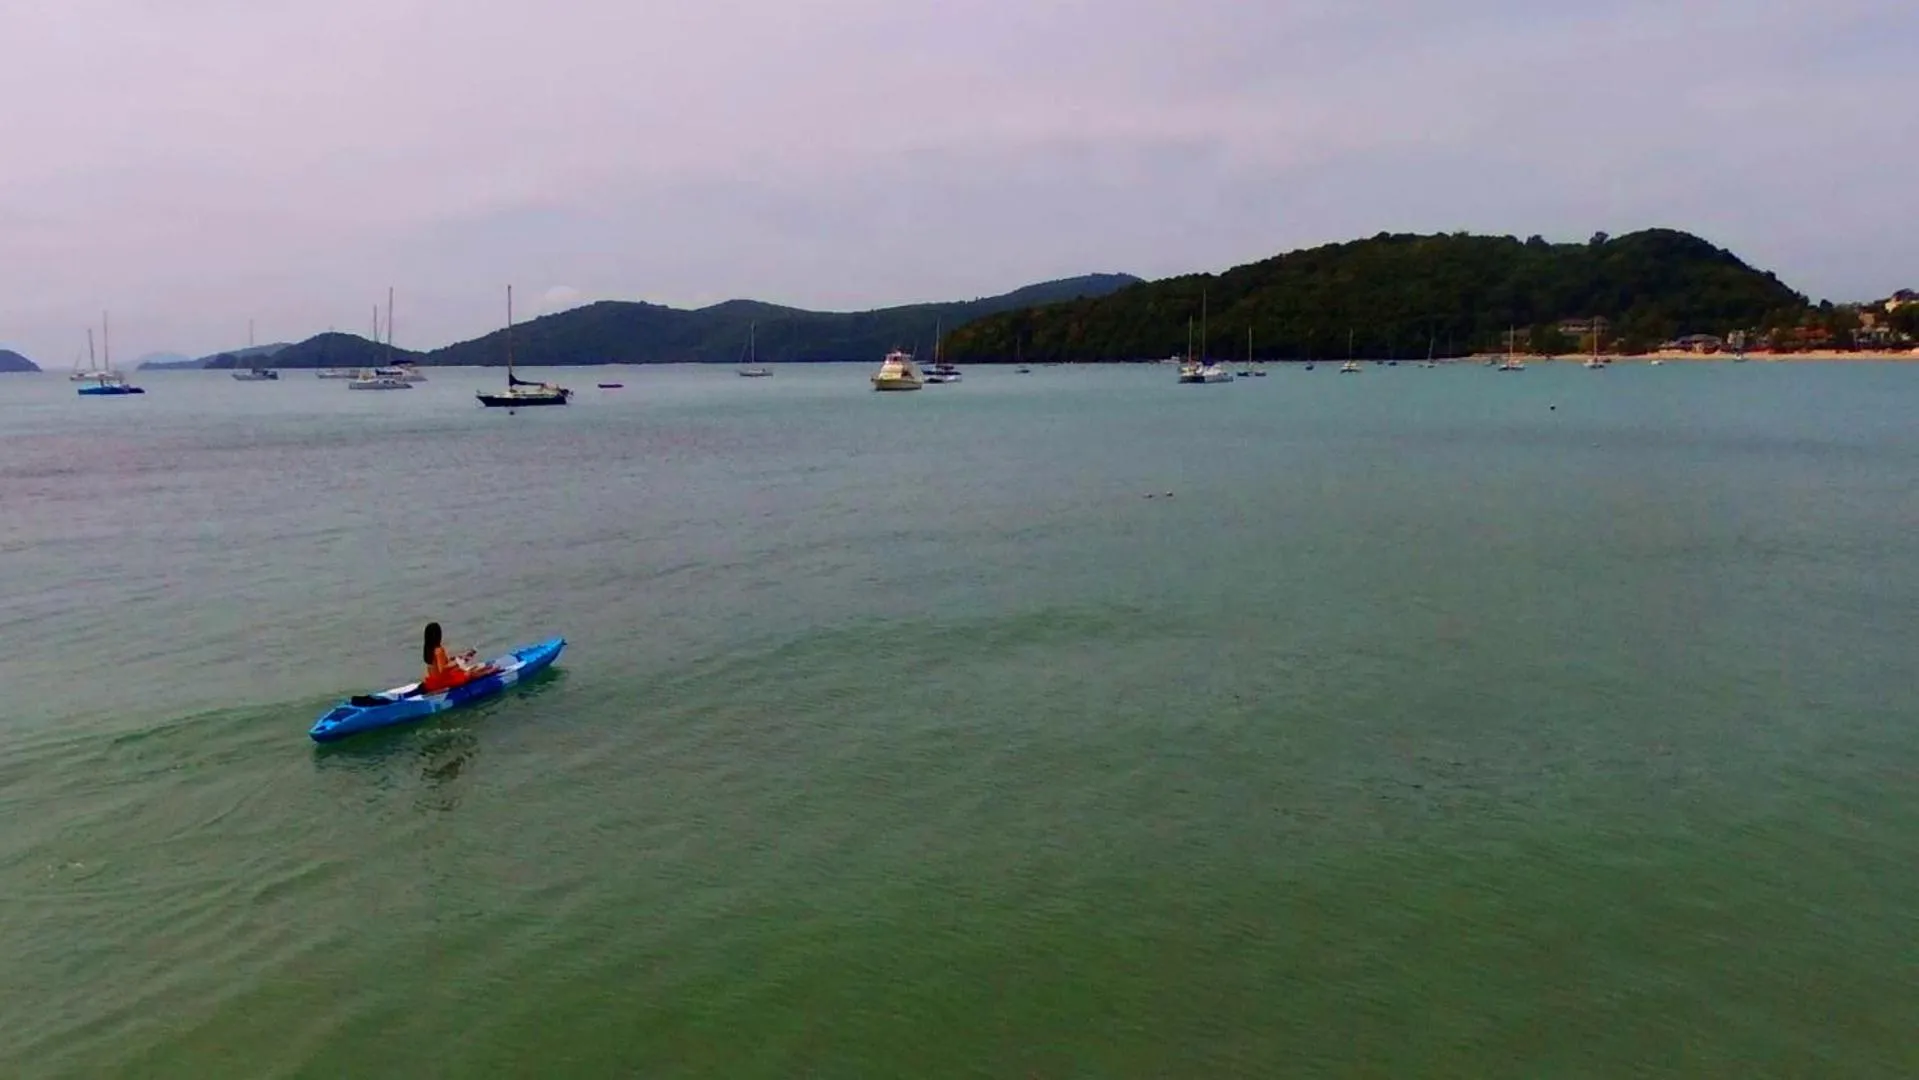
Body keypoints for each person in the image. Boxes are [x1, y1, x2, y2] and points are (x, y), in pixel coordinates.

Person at [420, 622, 485, 693]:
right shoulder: (439, 650)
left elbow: (441, 664)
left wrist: (457, 658)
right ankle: (493, 674)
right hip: (442, 682)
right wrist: (458, 662)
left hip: (433, 681)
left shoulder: (428, 650)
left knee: (468, 670)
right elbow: (443, 669)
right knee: (470, 673)